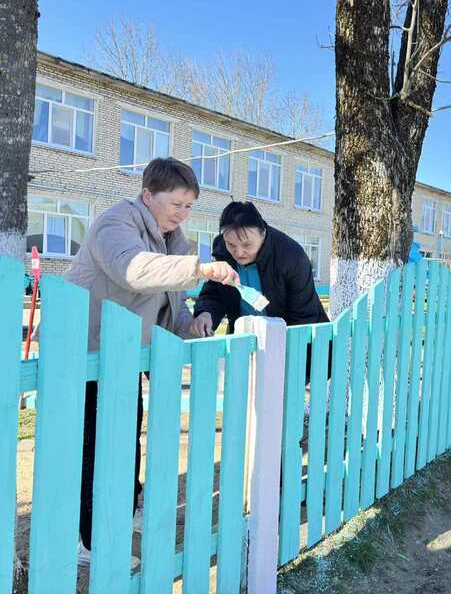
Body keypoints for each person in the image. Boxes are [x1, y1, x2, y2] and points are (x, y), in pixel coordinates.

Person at [64, 157, 239, 567]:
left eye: (189, 206)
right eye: (176, 203)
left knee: (126, 441)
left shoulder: (170, 240)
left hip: (125, 357)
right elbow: (135, 271)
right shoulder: (116, 223)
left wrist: (193, 324)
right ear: (147, 195)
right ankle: (89, 541)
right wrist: (199, 268)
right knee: (94, 448)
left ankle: (124, 513)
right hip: (86, 354)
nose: (183, 213)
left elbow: (169, 306)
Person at [191, 201, 329, 338]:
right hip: (245, 339)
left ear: (263, 234)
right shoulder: (223, 252)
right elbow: (214, 294)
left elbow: (304, 316)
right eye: (231, 244)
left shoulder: (291, 256)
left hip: (295, 339)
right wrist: (206, 314)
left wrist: (286, 347)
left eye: (247, 245)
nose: (239, 252)